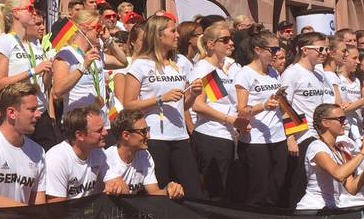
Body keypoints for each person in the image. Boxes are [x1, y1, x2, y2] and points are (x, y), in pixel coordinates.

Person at [120, 15, 200, 199]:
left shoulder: (179, 64)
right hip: (154, 137)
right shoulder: (140, 65)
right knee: (160, 192)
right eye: (173, 31)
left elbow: (183, 105)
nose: (177, 35)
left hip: (180, 136)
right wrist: (160, 99)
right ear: (158, 35)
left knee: (193, 191)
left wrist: (194, 94)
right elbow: (128, 104)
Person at [0, 0, 55, 148]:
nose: (34, 12)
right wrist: (33, 71)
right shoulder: (5, 41)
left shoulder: (33, 44)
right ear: (16, 13)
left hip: (40, 112)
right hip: (19, 115)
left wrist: (48, 72)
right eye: (29, 9)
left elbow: (44, 85)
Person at [189, 22, 243, 201]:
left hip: (227, 137)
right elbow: (198, 105)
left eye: (231, 39)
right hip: (211, 136)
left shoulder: (224, 68)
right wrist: (230, 119)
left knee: (226, 190)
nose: (231, 43)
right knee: (214, 193)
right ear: (211, 44)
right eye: (225, 40)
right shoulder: (203, 68)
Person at [279, 31, 333, 207]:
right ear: (304, 50)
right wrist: (290, 138)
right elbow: (284, 106)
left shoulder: (319, 74)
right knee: (298, 182)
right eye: (320, 49)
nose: (325, 53)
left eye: (326, 49)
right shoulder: (292, 73)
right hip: (301, 136)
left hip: (318, 135)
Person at [233, 30, 287, 207]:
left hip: (277, 136)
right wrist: (263, 106)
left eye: (278, 49)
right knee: (258, 189)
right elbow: (241, 111)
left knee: (276, 186)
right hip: (256, 140)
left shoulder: (274, 73)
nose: (277, 53)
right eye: (273, 49)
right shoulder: (245, 74)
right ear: (258, 50)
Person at [295, 104, 364, 211]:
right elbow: (339, 175)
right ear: (325, 122)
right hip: (313, 208)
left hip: (331, 207)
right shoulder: (317, 147)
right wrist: (363, 151)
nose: (345, 122)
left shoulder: (340, 150)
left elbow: (352, 188)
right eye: (341, 119)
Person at [0, 81, 46, 205]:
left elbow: (39, 206)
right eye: (32, 110)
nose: (38, 114)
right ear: (12, 113)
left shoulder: (38, 151)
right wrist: (28, 212)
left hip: (26, 218)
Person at [104, 110, 183, 199]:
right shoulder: (107, 159)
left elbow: (154, 192)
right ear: (126, 135)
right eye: (143, 131)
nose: (148, 136)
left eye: (148, 130)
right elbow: (123, 192)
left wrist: (169, 190)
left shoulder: (145, 155)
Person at [41, 106, 110, 203]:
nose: (105, 132)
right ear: (79, 135)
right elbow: (57, 206)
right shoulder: (56, 159)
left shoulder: (98, 151)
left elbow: (115, 181)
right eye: (99, 130)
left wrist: (115, 185)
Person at [51, 8, 112, 117]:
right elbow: (57, 92)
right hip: (78, 120)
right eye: (98, 27)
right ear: (84, 28)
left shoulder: (95, 53)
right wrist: (83, 66)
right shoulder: (66, 53)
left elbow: (123, 62)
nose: (101, 31)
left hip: (101, 118)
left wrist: (109, 40)